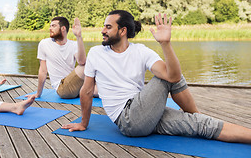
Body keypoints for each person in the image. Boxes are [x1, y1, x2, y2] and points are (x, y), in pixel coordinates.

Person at [62, 10, 251, 144]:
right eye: (104, 26)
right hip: (127, 119)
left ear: (122, 31)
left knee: (201, 125)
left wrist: (165, 44)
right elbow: (86, 91)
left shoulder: (140, 51)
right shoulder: (96, 53)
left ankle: (201, 118)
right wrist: (83, 123)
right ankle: (195, 112)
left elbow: (175, 76)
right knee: (166, 77)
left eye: (108, 27)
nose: (103, 30)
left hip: (145, 113)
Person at [27, 17, 97, 99]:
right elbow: (43, 71)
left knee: (104, 91)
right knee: (90, 62)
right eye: (50, 26)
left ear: (63, 28)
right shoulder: (44, 44)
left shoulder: (74, 44)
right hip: (62, 88)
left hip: (76, 85)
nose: (50, 28)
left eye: (53, 26)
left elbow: (81, 61)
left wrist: (79, 37)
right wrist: (38, 94)